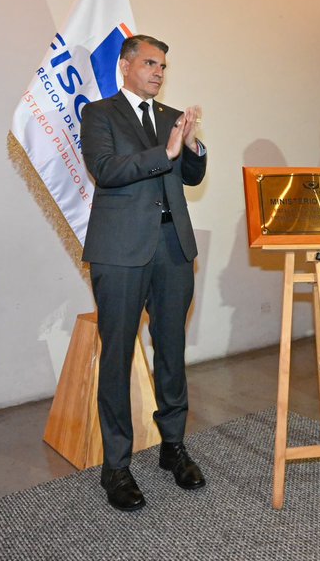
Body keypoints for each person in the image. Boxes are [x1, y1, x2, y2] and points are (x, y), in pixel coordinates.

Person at [81, 34, 207, 512]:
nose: (159, 72)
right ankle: (116, 465)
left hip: (173, 249)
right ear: (126, 65)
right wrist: (166, 152)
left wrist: (191, 146)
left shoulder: (171, 117)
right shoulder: (99, 113)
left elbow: (191, 175)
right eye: (151, 63)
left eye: (163, 66)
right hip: (120, 251)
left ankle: (173, 446)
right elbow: (106, 169)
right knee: (117, 354)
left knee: (171, 348)